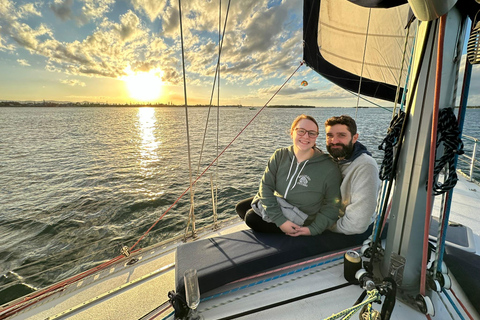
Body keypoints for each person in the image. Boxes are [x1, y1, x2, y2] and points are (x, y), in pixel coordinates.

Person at [236, 114, 342, 236]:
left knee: (251, 218)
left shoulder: (328, 167)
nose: (306, 136)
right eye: (301, 131)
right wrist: (281, 221)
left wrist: (313, 229)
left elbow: (332, 205)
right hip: (282, 203)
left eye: (311, 133)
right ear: (292, 133)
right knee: (240, 207)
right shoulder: (280, 155)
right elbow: (266, 186)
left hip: (302, 216)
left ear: (316, 137)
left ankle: (288, 237)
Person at [324, 115, 380, 235]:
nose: (334, 141)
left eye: (341, 135)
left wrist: (322, 225)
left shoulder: (365, 166)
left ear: (355, 138)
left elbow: (356, 225)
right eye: (330, 136)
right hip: (330, 220)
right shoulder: (330, 160)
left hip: (348, 231)